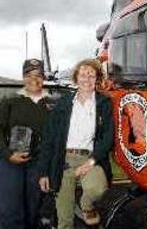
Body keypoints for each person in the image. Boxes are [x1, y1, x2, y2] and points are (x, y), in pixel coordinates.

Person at [37, 58, 114, 229]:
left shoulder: (104, 104)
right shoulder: (63, 104)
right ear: (76, 78)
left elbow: (108, 138)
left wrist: (90, 162)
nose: (87, 79)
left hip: (90, 158)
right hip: (62, 160)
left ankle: (86, 205)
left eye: (92, 75)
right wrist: (44, 172)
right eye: (83, 75)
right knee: (64, 219)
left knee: (98, 189)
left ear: (97, 79)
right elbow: (49, 139)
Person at [0, 59, 53, 228]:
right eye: (29, 75)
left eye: (38, 75)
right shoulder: (10, 101)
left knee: (33, 208)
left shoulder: (52, 104)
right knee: (11, 209)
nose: (34, 79)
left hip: (38, 162)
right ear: (23, 78)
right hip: (11, 160)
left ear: (44, 78)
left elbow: (56, 138)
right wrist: (8, 155)